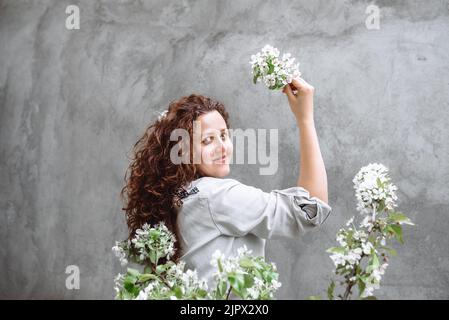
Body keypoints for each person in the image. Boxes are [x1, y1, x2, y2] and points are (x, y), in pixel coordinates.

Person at [121, 78, 333, 291]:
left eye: (223, 135)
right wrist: (305, 120)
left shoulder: (179, 197)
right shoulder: (215, 196)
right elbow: (310, 210)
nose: (222, 147)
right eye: (207, 140)